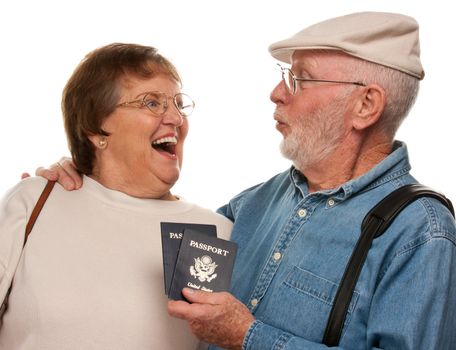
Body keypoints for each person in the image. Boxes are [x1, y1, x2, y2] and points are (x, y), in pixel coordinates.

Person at [32, 12, 456, 349]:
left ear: (365, 105)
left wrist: (248, 337)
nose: (277, 92)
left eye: (300, 78)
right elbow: (144, 233)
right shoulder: (252, 206)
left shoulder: (421, 234)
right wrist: (87, 180)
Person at [0, 43, 232, 350]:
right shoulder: (35, 201)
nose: (176, 118)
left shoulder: (216, 232)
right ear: (97, 130)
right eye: (152, 103)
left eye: (178, 103)